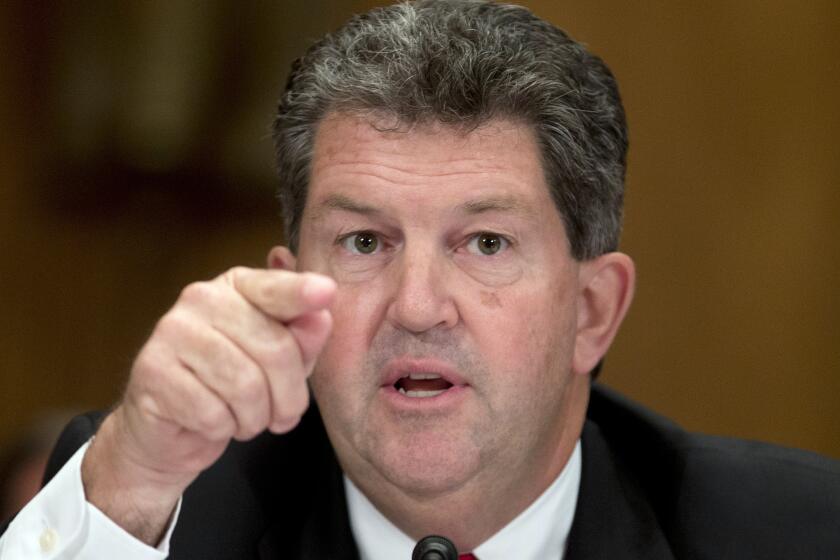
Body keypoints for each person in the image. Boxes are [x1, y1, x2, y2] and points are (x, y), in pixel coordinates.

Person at [2, 1, 839, 558]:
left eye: (484, 244)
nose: (417, 307)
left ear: (592, 311)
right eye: (364, 240)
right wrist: (134, 486)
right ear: (287, 298)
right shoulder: (162, 515)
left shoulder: (793, 533)